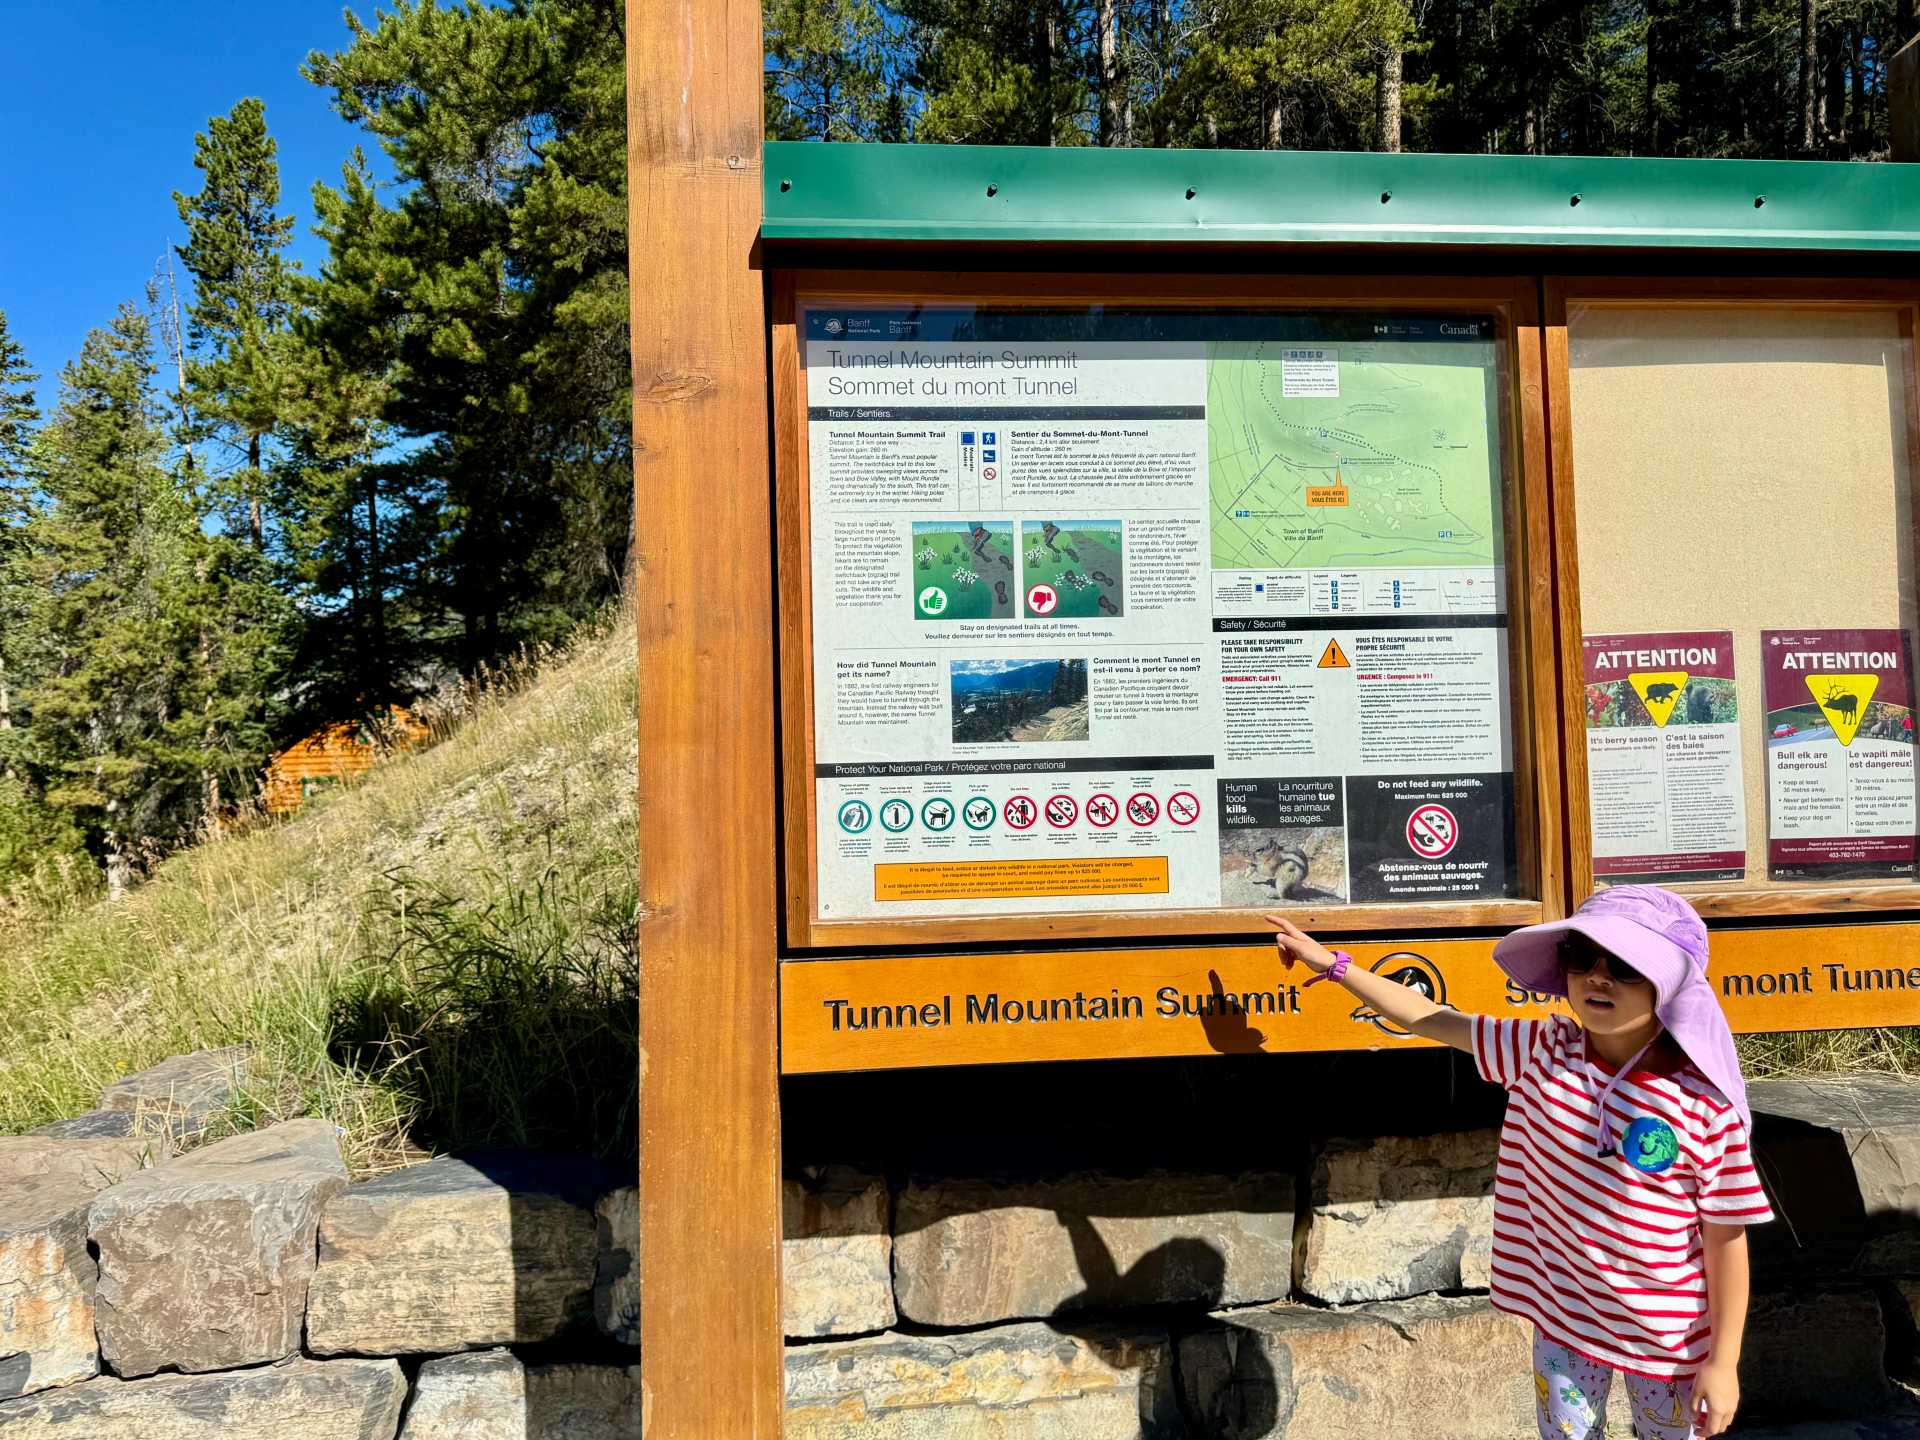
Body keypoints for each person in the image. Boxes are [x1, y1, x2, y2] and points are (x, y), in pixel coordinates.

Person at [1268, 885, 1772, 1440]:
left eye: (1626, 965)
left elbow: (1725, 1238)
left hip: (1668, 1340)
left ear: (1671, 985)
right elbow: (1428, 1016)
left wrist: (1723, 1363)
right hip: (1565, 1321)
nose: (1598, 978)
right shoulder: (1540, 1051)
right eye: (1581, 958)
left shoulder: (1703, 1107)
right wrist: (1336, 967)